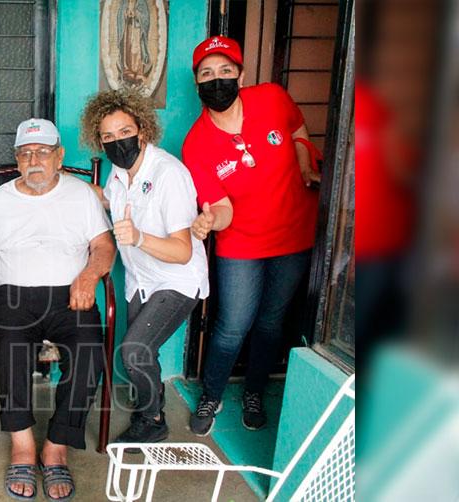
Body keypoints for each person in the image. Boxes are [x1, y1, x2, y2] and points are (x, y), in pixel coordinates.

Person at [0, 118, 115, 502]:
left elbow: (104, 246)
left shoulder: (81, 196)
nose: (34, 160)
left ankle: (56, 446)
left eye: (43, 152)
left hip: (71, 295)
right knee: (11, 351)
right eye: (25, 154)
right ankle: (23, 447)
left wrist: (89, 275)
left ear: (59, 156)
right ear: (17, 159)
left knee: (89, 354)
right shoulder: (0, 199)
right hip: (13, 296)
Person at [182, 36, 320, 436]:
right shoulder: (197, 143)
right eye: (207, 73)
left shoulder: (272, 98)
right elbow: (221, 206)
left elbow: (297, 126)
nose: (217, 80)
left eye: (226, 71)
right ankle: (212, 395)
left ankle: (255, 392)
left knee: (271, 322)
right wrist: (210, 221)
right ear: (197, 83)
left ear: (240, 76)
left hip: (294, 234)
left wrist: (304, 162)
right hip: (241, 244)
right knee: (233, 325)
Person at [80, 89, 209, 444]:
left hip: (176, 279)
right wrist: (81, 190)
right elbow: (114, 201)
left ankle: (153, 420)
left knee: (134, 350)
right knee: (143, 350)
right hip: (140, 279)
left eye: (124, 132)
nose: (117, 142)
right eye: (107, 136)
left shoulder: (169, 174)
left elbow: (182, 251)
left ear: (143, 130)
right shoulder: (118, 173)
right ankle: (152, 403)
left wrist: (137, 238)